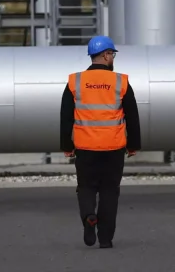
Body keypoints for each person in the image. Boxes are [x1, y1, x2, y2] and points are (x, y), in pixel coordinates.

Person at [60, 35, 141, 249]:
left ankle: (89, 215)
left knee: (86, 187)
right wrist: (133, 145)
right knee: (109, 191)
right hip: (114, 147)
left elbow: (66, 117)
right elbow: (132, 116)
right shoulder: (121, 81)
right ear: (106, 55)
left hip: (85, 147)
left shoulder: (75, 81)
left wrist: (67, 146)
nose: (112, 58)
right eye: (112, 54)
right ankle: (105, 239)